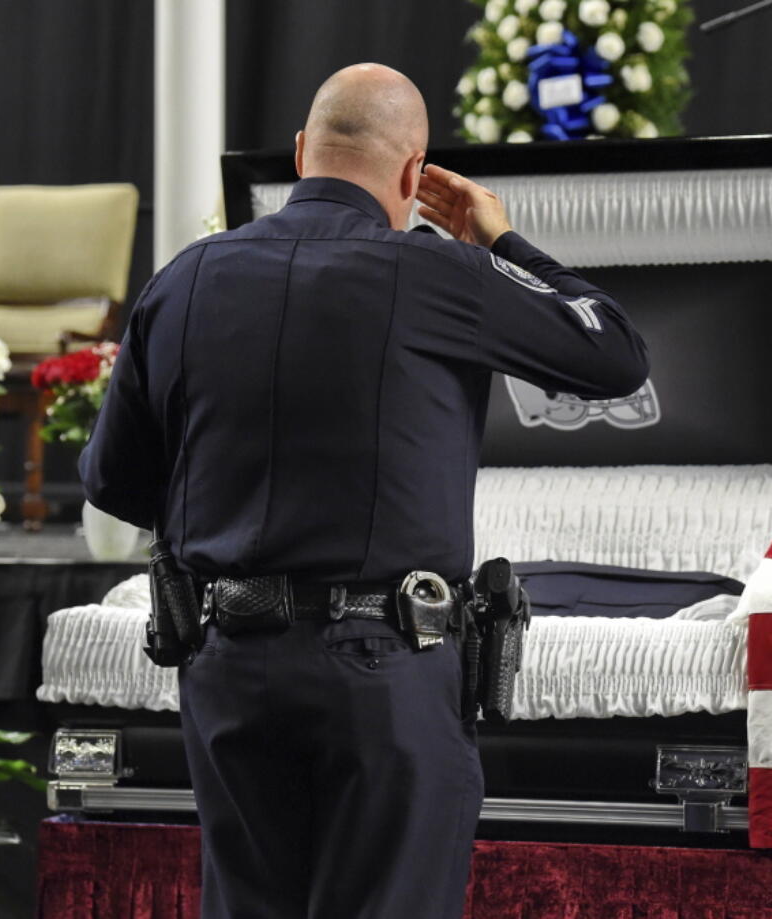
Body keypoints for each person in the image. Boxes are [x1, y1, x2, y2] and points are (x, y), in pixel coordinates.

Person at [80, 63, 649, 918]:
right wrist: (500, 243)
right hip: (386, 679)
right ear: (415, 174)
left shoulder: (186, 278)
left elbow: (112, 480)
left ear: (304, 152)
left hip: (228, 672)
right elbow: (614, 353)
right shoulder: (440, 274)